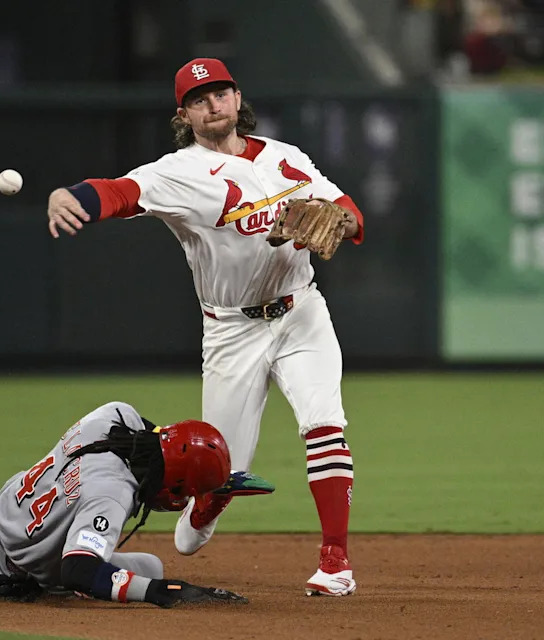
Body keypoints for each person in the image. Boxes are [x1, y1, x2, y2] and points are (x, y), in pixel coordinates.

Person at [45, 58, 365, 597]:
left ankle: (336, 563)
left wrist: (344, 220)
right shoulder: (178, 172)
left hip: (301, 311)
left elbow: (348, 211)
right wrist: (70, 197)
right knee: (220, 472)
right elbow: (119, 192)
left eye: (220, 93)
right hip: (232, 331)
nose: (212, 103)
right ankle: (205, 510)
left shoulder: (287, 158)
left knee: (324, 424)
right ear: (185, 115)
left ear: (238, 99)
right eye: (199, 99)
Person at [0, 401, 267, 607]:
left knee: (48, 497)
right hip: (25, 561)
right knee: (151, 569)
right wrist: (156, 590)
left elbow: (154, 434)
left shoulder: (114, 415)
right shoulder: (112, 495)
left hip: (4, 507)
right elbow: (78, 571)